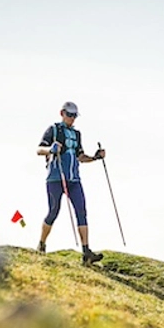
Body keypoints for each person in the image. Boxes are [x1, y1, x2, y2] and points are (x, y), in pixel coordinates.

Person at [36, 101, 106, 264]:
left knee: (81, 210)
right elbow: (39, 149)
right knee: (54, 211)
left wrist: (95, 157)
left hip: (74, 179)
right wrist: (50, 149)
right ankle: (41, 244)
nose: (72, 118)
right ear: (62, 113)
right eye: (69, 115)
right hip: (55, 178)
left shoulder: (77, 134)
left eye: (74, 116)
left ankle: (86, 251)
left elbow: (80, 157)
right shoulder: (53, 130)